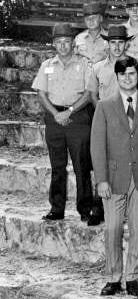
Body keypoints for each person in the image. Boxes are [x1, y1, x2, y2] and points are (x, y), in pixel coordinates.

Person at [90, 56, 138, 297]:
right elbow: (97, 145)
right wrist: (102, 179)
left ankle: (133, 277)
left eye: (131, 73)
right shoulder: (104, 106)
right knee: (113, 228)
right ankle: (113, 277)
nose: (127, 78)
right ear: (116, 78)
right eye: (122, 75)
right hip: (114, 178)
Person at [32, 23, 103, 226]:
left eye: (67, 42)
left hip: (78, 117)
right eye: (59, 42)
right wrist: (56, 113)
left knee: (82, 166)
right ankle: (56, 209)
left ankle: (85, 209)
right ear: (54, 44)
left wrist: (69, 111)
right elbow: (41, 94)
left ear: (73, 43)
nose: (63, 46)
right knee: (57, 166)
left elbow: (89, 94)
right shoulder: (47, 65)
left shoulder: (85, 64)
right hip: (54, 119)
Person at [88, 25, 138, 105]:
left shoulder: (137, 67)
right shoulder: (97, 68)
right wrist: (102, 113)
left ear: (126, 44)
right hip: (106, 112)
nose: (117, 47)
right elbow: (93, 95)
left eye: (121, 42)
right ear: (108, 44)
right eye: (113, 42)